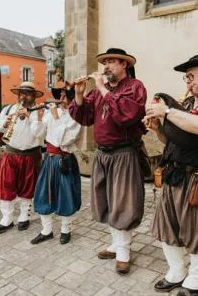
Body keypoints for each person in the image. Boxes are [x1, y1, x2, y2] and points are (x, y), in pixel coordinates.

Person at [69, 48, 147, 274]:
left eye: (111, 62)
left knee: (123, 202)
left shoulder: (135, 87)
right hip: (102, 154)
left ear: (124, 65)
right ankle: (116, 244)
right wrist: (79, 95)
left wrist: (102, 87)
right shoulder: (97, 92)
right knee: (107, 201)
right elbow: (85, 118)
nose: (106, 66)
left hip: (123, 153)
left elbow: (127, 115)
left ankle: (124, 252)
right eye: (104, 62)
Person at [144, 55, 198, 296]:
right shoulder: (185, 105)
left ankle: (196, 279)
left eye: (192, 77)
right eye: (187, 78)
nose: (188, 83)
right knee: (167, 226)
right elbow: (170, 142)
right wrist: (158, 129)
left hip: (194, 177)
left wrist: (166, 110)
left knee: (195, 230)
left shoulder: (180, 110)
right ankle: (177, 271)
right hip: (173, 173)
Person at [31, 83, 82, 245]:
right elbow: (38, 135)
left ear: (73, 98)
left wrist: (56, 117)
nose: (60, 99)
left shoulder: (77, 117)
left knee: (65, 195)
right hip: (49, 159)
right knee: (42, 194)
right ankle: (46, 230)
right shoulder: (53, 112)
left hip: (64, 161)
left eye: (64, 96)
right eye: (59, 95)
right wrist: (39, 117)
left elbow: (64, 140)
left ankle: (65, 230)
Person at [0, 82, 44, 234]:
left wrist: (30, 117)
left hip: (31, 155)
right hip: (10, 153)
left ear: (34, 96)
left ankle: (24, 217)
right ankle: (6, 219)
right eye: (21, 93)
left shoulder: (40, 111)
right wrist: (5, 122)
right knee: (6, 187)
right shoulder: (9, 109)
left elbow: (40, 134)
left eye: (28, 93)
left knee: (27, 188)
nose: (24, 96)